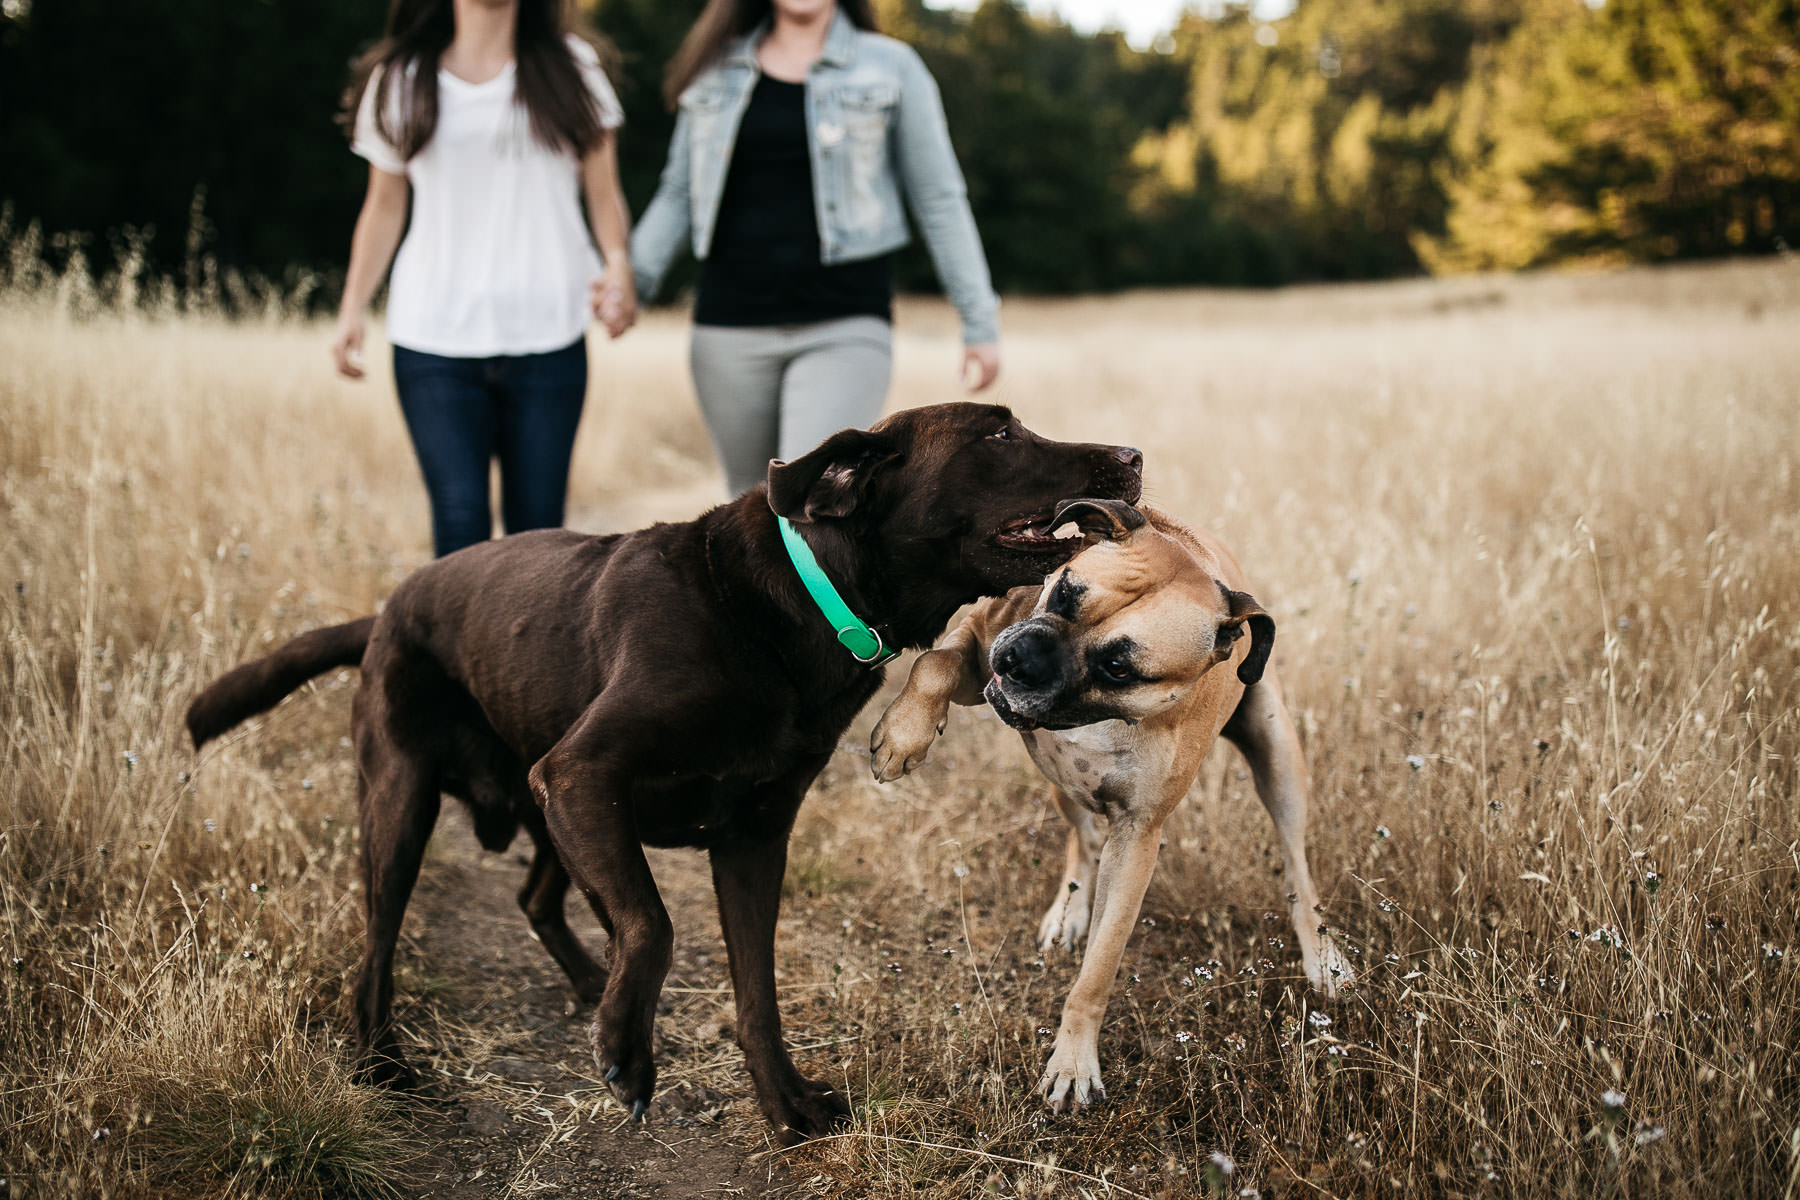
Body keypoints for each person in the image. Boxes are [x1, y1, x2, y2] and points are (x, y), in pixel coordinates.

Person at [628, 0, 1001, 497]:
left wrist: (978, 320)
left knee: (809, 502)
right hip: (728, 329)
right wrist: (631, 281)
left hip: (843, 324)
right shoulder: (715, 69)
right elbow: (678, 193)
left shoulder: (892, 67)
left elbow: (938, 199)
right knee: (748, 505)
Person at [331, 0, 636, 558]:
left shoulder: (572, 67)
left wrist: (617, 262)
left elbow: (603, 189)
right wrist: (352, 308)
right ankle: (457, 651)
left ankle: (530, 650)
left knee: (539, 534)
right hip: (433, 336)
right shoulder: (401, 77)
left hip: (548, 333)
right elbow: (383, 206)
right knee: (459, 518)